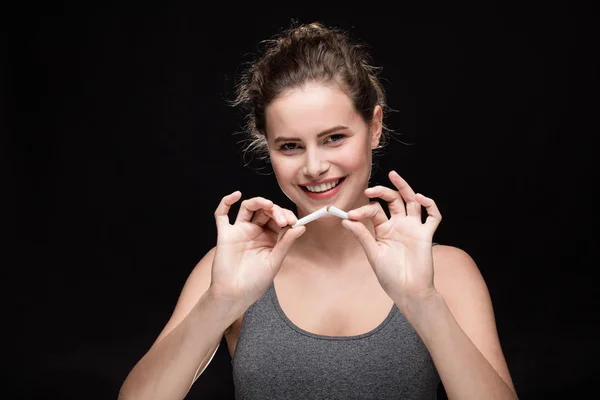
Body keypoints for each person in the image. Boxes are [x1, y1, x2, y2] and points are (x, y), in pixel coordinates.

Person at [118, 22, 517, 400]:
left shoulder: (446, 271)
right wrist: (220, 301)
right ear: (269, 149)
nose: (313, 167)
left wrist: (423, 301)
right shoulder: (230, 269)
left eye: (334, 138)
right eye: (290, 146)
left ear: (374, 127)